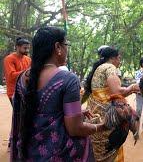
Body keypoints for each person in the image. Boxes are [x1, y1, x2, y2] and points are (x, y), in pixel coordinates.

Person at [10, 26, 106, 161]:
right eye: (66, 44)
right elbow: (75, 128)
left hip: (28, 153)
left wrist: (75, 113)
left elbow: (31, 113)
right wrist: (100, 127)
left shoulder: (22, 78)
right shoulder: (68, 79)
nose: (67, 49)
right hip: (57, 155)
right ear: (58, 47)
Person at [83, 46, 139, 162]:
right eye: (119, 58)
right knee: (109, 151)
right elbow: (117, 92)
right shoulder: (110, 67)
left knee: (98, 152)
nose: (120, 61)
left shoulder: (98, 68)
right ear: (113, 58)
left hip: (94, 117)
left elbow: (112, 94)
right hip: (107, 118)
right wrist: (133, 87)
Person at [4, 37, 31, 104]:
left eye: (28, 48)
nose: (27, 50)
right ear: (17, 47)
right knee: (19, 114)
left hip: (26, 91)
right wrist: (27, 72)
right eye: (25, 48)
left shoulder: (28, 59)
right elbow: (11, 76)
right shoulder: (9, 59)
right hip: (14, 92)